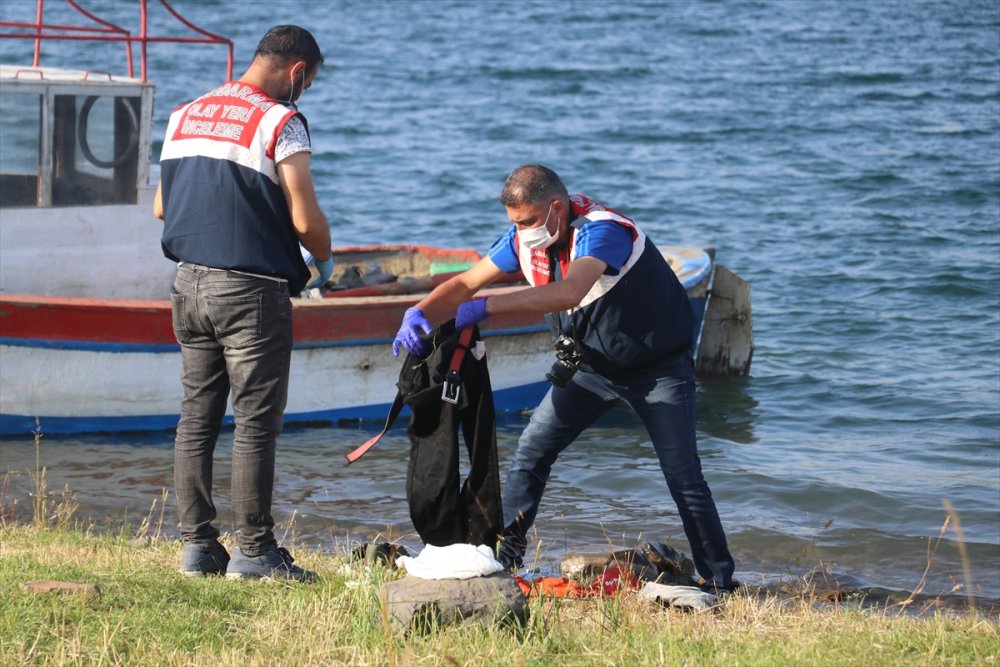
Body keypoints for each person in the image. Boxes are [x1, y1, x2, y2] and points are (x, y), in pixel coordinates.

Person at [393, 164, 737, 592]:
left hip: (656, 371)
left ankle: (719, 579)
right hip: (590, 369)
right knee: (530, 453)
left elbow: (570, 291)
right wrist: (421, 312)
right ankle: (504, 557)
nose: (522, 231)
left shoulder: (602, 231)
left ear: (556, 208)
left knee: (683, 476)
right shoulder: (524, 239)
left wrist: (487, 307)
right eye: (514, 224)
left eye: (527, 221)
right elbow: (466, 281)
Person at [153, 25, 332, 581]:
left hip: (188, 283)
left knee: (196, 418)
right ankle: (255, 553)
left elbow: (162, 207)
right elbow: (305, 219)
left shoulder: (186, 114)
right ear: (297, 72)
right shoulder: (283, 121)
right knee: (254, 422)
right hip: (251, 292)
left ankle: (198, 547)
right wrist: (324, 259)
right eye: (308, 82)